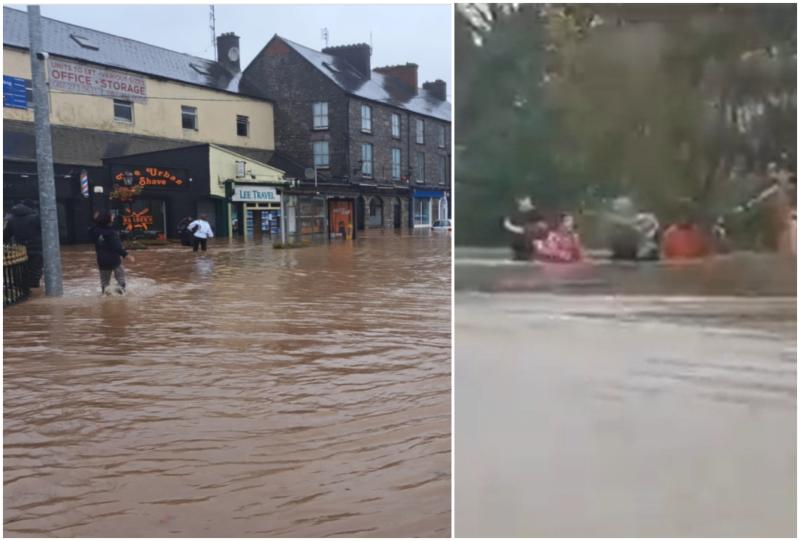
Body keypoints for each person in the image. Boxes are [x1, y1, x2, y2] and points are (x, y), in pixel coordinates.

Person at [89, 211, 134, 294]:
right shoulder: (112, 232)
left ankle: (105, 296)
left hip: (102, 260)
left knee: (104, 283)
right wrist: (127, 255)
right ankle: (121, 296)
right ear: (108, 219)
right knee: (121, 279)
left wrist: (96, 220)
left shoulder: (94, 231)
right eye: (112, 216)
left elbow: (92, 228)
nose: (113, 217)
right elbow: (117, 247)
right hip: (114, 259)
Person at [3, 199, 43, 288]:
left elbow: (5, 236)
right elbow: (46, 232)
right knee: (34, 272)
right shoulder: (35, 217)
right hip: (36, 249)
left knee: (21, 272)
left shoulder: (11, 219)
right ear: (31, 208)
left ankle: (22, 289)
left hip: (20, 250)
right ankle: (34, 293)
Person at [503, 196, 544, 261]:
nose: (528, 201)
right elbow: (508, 224)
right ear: (519, 201)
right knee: (517, 256)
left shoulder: (535, 212)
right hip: (517, 241)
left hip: (529, 241)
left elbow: (541, 226)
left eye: (528, 199)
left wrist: (528, 231)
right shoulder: (514, 212)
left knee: (528, 256)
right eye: (526, 199)